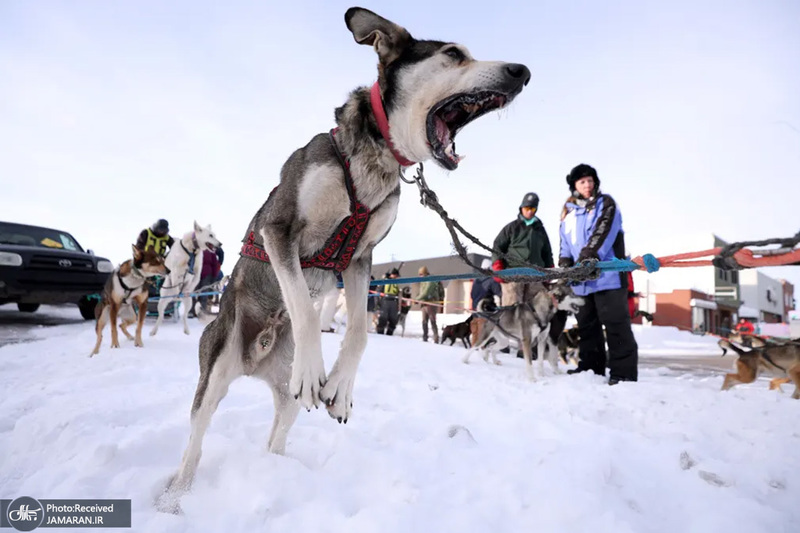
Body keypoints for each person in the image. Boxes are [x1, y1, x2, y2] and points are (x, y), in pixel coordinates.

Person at [559, 163, 638, 385]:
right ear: (574, 185)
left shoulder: (606, 204)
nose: (587, 185)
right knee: (586, 326)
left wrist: (588, 258)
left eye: (590, 180)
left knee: (615, 325)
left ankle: (623, 374)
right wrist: (565, 267)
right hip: (581, 282)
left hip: (608, 278)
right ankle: (591, 368)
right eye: (582, 181)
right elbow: (565, 245)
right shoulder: (568, 215)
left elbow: (603, 232)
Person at [491, 192, 554, 306]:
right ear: (521, 208)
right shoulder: (512, 228)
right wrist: (498, 268)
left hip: (535, 275)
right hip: (514, 274)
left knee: (535, 309)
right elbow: (497, 246)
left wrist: (549, 272)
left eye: (533, 209)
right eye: (527, 208)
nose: (530, 211)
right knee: (512, 310)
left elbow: (547, 253)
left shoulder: (540, 230)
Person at [415, 266, 444, 343]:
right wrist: (417, 298)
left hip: (431, 304)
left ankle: (436, 338)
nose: (420, 276)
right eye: (419, 274)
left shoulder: (430, 281)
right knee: (424, 321)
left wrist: (417, 299)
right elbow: (421, 292)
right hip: (424, 304)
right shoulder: (423, 281)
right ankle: (425, 337)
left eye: (421, 274)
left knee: (432, 321)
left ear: (425, 273)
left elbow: (426, 292)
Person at [190, 248, 222, 317]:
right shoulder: (195, 250)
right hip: (195, 274)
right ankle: (192, 311)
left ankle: (202, 311)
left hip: (207, 274)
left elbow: (214, 264)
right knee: (194, 293)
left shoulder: (211, 251)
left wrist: (214, 275)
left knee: (204, 294)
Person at [376, 268, 401, 335]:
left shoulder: (396, 283)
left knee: (393, 319)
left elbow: (397, 294)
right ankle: (380, 333)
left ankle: (390, 334)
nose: (397, 277)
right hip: (385, 301)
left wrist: (398, 304)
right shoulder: (385, 281)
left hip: (394, 302)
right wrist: (378, 303)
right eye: (396, 275)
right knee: (383, 318)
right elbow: (378, 292)